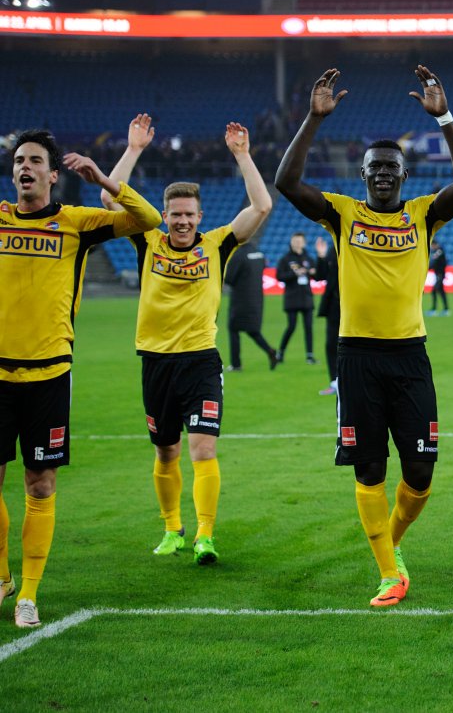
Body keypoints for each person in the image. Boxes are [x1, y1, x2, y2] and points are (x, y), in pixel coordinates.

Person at [275, 65, 453, 607]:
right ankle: (390, 573)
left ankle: (387, 545)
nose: (383, 175)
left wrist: (445, 119)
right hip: (358, 357)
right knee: (369, 466)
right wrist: (313, 120)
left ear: (404, 175)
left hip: (411, 357)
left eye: (391, 167)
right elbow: (287, 183)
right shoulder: (341, 214)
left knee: (420, 472)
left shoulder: (422, 216)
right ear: (363, 175)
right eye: (374, 168)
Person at [1, 130, 161, 628]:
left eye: (35, 161)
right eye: (19, 161)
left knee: (40, 482)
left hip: (49, 375)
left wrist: (106, 180)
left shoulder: (76, 224)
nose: (25, 167)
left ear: (53, 176)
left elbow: (148, 220)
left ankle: (27, 593)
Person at [105, 116, 272, 566]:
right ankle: (171, 529)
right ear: (166, 215)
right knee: (166, 450)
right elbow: (108, 193)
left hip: (200, 361)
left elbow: (261, 207)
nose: (181, 221)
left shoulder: (217, 244)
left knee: (202, 447)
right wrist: (135, 149)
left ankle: (205, 535)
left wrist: (242, 156)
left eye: (188, 215)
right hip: (156, 361)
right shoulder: (148, 239)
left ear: (201, 216)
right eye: (174, 214)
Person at [223, 246, 279, 372]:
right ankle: (270, 351)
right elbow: (264, 267)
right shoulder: (259, 253)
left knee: (233, 329)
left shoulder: (238, 255)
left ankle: (236, 364)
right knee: (252, 330)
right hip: (257, 298)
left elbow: (229, 279)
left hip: (240, 299)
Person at [276, 232, 317, 363]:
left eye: (300, 241)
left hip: (306, 297)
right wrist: (294, 274)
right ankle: (280, 353)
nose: (297, 244)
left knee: (309, 327)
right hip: (292, 298)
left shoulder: (309, 258)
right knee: (291, 326)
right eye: (295, 241)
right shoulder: (285, 259)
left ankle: (310, 356)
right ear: (291, 242)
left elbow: (317, 274)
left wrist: (313, 272)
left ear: (304, 243)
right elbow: (279, 276)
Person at [315, 236, 340, 394]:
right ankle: (335, 382)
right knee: (331, 344)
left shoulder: (360, 245)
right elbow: (320, 276)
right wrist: (322, 256)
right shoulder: (333, 249)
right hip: (334, 305)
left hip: (357, 305)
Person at [427, 239, 449, 317]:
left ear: (435, 244)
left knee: (434, 291)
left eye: (432, 245)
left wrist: (427, 268)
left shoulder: (439, 251)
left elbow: (435, 262)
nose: (432, 247)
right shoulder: (439, 251)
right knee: (441, 291)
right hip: (439, 274)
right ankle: (446, 309)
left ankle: (434, 310)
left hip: (440, 274)